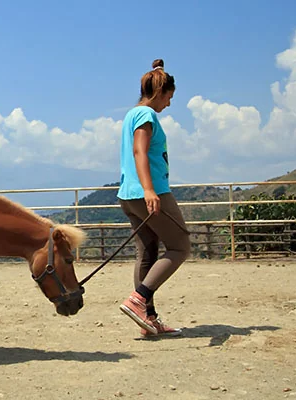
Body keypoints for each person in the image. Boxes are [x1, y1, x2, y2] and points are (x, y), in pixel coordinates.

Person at [117, 59, 190, 337]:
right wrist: (149, 189)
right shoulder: (147, 116)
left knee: (147, 252)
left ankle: (147, 318)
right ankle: (139, 299)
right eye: (169, 97)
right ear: (160, 93)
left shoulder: (130, 114)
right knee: (181, 245)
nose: (169, 104)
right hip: (150, 192)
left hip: (128, 195)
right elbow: (140, 151)